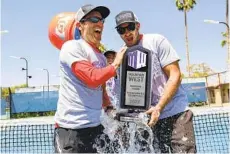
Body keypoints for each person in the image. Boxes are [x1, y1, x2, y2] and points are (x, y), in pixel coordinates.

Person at [114, 10, 197, 153]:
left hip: (176, 114)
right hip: (149, 120)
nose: (127, 32)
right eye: (122, 29)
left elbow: (175, 75)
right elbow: (125, 95)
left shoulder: (156, 41)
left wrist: (158, 107)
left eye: (130, 27)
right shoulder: (121, 56)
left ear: (138, 26)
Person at [53, 4, 126, 153]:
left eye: (102, 20)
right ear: (81, 25)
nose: (99, 23)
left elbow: (102, 90)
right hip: (71, 131)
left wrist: (110, 110)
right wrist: (117, 63)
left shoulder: (100, 56)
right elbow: (92, 78)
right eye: (94, 19)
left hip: (95, 128)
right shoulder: (72, 47)